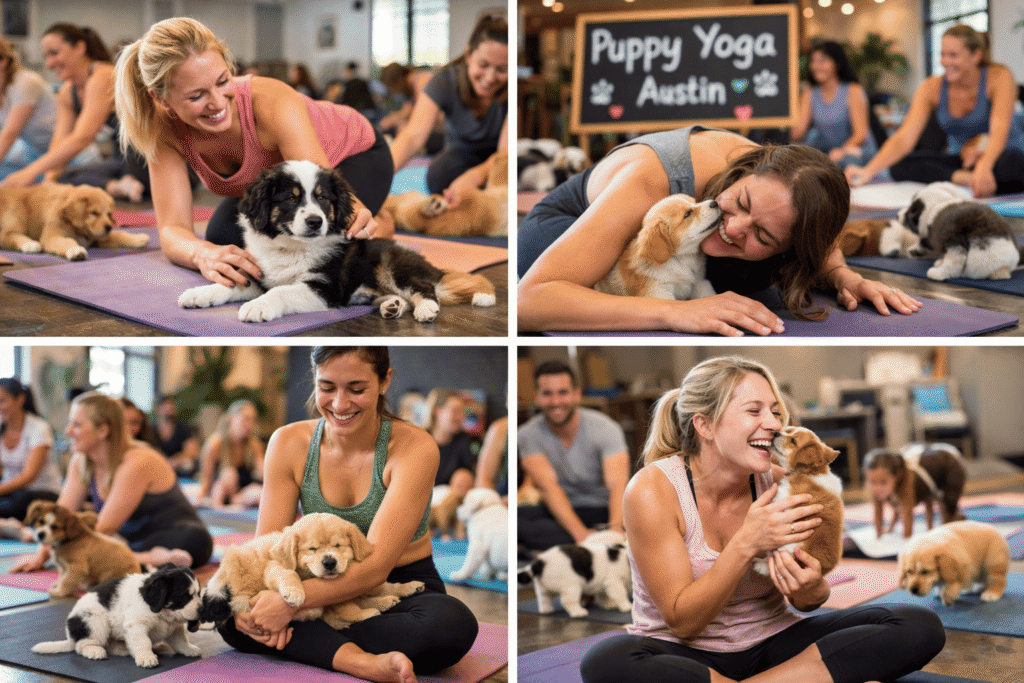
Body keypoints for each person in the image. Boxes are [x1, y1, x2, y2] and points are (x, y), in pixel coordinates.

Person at [579, 356, 945, 683]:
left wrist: (811, 587)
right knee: (605, 661)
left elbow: (808, 601)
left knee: (917, 625)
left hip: (774, 643)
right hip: (684, 654)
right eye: (754, 411)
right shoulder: (653, 489)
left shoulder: (785, 484)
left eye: (775, 411)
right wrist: (746, 543)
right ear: (704, 426)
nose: (773, 424)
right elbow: (684, 623)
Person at [216, 347, 478, 681]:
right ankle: (361, 662)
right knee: (228, 614)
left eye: (356, 389)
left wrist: (290, 606)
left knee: (452, 625)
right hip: (307, 580)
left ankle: (309, 644)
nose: (339, 405)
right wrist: (262, 601)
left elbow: (376, 566)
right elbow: (265, 549)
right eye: (327, 388)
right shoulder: (287, 442)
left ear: (385, 381)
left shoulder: (415, 446)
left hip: (393, 583)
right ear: (314, 380)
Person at [518, 127, 922, 336]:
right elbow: (530, 301)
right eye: (741, 202)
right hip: (563, 226)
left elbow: (819, 229)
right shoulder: (652, 180)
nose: (732, 228)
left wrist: (841, 274)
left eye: (763, 235)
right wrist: (673, 312)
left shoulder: (786, 196)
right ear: (744, 171)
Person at [113, 17, 393, 289]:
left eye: (223, 81)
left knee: (322, 252)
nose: (218, 102)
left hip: (354, 155)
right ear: (161, 99)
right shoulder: (162, 129)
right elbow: (173, 229)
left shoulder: (272, 101)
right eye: (197, 96)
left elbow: (320, 185)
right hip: (283, 187)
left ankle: (384, 223)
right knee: (223, 240)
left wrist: (357, 216)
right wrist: (201, 254)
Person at [11, 392, 213, 572]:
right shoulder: (81, 461)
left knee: (86, 555)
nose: (68, 431)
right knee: (87, 556)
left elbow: (102, 529)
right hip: (131, 542)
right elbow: (58, 516)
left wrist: (61, 551)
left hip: (181, 537)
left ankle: (150, 559)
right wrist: (41, 555)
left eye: (77, 425)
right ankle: (148, 560)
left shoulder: (136, 461)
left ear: (103, 430)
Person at [846, 24, 1024, 198]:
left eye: (953, 55)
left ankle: (981, 178)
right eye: (942, 54)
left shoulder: (998, 77)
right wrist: (868, 170)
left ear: (976, 55)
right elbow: (904, 137)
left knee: (1011, 167)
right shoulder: (932, 87)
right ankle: (967, 179)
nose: (945, 62)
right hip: (965, 162)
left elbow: (1000, 128)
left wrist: (985, 164)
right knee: (900, 164)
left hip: (1003, 155)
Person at [0, 24, 148, 202]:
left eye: (54, 53)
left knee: (57, 178)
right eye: (46, 56)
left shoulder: (102, 75)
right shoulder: (67, 92)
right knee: (62, 177)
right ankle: (119, 186)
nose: (49, 63)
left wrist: (30, 172)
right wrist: (48, 183)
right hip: (120, 159)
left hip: (149, 156)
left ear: (80, 47)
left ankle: (127, 183)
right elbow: (58, 142)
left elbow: (82, 138)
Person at [388, 14, 508, 205]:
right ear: (468, 56)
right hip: (460, 156)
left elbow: (504, 155)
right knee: (437, 175)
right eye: (483, 65)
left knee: (508, 176)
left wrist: (476, 176)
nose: (490, 77)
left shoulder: (512, 91)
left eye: (502, 69)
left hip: (498, 158)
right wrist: (380, 177)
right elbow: (413, 135)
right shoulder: (444, 80)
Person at [517, 361, 630, 551]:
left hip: (605, 509)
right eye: (547, 393)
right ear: (537, 396)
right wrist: (582, 536)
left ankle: (592, 544)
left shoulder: (606, 428)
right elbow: (548, 487)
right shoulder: (527, 434)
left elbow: (618, 483)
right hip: (564, 513)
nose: (556, 402)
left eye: (563, 392)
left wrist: (615, 531)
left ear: (576, 394)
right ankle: (590, 546)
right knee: (517, 518)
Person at [790, 41, 877, 169]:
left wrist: (841, 151)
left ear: (837, 63)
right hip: (827, 152)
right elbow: (798, 132)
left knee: (847, 162)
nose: (816, 66)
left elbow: (860, 134)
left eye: (822, 60)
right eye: (813, 61)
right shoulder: (809, 93)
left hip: (854, 149)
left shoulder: (853, 90)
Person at [0, 379, 60, 524]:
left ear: (20, 399)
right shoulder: (1, 428)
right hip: (10, 492)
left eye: (2, 401)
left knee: (21, 499)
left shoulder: (39, 428)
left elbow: (29, 476)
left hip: (42, 493)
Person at [0, 38, 58, 180]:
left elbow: (10, 134)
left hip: (64, 156)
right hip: (33, 152)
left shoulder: (25, 81)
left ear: (3, 61)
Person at [197, 399, 265, 507]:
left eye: (252, 420)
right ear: (231, 419)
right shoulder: (214, 445)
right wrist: (200, 499)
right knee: (229, 474)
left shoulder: (254, 445)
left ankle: (235, 503)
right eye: (245, 419)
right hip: (218, 493)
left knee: (260, 493)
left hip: (239, 496)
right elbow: (206, 480)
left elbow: (264, 473)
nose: (249, 425)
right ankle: (220, 510)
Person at [424, 389, 480, 499]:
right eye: (455, 411)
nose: (459, 417)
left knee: (463, 476)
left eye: (461, 412)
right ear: (438, 411)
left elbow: (473, 471)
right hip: (422, 496)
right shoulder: (419, 440)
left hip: (451, 499)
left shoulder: (466, 441)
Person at [377, 62, 440, 150]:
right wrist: (393, 119)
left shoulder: (422, 80)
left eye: (391, 88)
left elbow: (427, 117)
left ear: (396, 82)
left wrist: (402, 123)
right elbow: (407, 110)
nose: (394, 92)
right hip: (434, 130)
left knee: (402, 132)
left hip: (441, 133)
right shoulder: (413, 86)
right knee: (394, 129)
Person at [154, 395, 201, 479]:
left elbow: (192, 451)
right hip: (157, 465)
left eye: (171, 405)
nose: (169, 408)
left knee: (188, 464)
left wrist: (175, 461)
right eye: (165, 405)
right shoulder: (150, 429)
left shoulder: (183, 428)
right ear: (157, 409)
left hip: (178, 467)